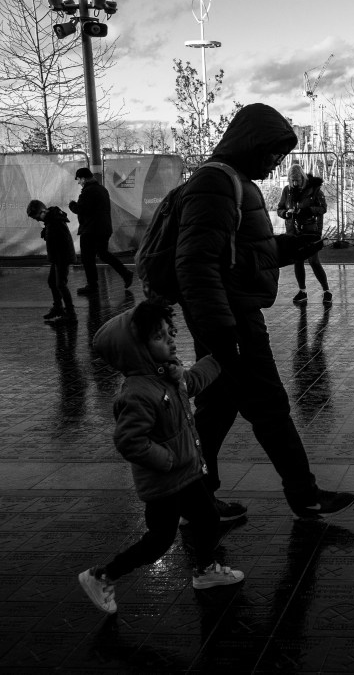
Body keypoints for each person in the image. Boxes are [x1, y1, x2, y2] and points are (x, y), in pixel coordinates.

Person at [176, 103, 354, 520]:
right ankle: (304, 494)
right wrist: (222, 331)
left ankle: (196, 498)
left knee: (217, 408)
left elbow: (235, 254)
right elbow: (196, 264)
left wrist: (284, 248)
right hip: (230, 318)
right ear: (251, 143)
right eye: (273, 151)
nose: (276, 161)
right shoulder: (215, 182)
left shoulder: (233, 181)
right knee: (269, 405)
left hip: (227, 313)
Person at [80, 300, 244, 614]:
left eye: (170, 332)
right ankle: (102, 575)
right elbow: (129, 441)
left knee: (208, 518)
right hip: (165, 484)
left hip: (186, 475)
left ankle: (205, 571)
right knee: (158, 541)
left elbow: (191, 383)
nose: (170, 340)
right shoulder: (137, 393)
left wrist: (217, 359)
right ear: (137, 350)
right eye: (159, 336)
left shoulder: (167, 374)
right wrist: (166, 460)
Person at [68, 167, 133, 295]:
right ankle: (125, 273)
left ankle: (92, 285)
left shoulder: (88, 191)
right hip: (103, 229)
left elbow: (81, 209)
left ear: (83, 179)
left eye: (79, 180)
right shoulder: (101, 189)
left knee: (88, 258)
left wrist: (72, 205)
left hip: (91, 230)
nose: (78, 182)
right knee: (103, 254)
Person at [277, 163, 331, 305]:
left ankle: (326, 290)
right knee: (298, 261)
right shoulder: (287, 191)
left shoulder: (314, 190)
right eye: (292, 181)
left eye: (297, 180)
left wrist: (308, 211)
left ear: (303, 178)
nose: (295, 183)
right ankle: (302, 290)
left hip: (310, 230)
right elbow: (280, 208)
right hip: (293, 231)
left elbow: (323, 208)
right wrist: (286, 214)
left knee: (314, 261)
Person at [28, 199, 76, 322]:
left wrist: (61, 260)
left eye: (37, 217)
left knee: (61, 284)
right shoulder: (51, 220)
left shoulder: (55, 221)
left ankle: (71, 314)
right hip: (58, 257)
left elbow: (63, 241)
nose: (37, 220)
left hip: (62, 258)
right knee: (52, 282)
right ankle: (58, 307)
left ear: (43, 211)